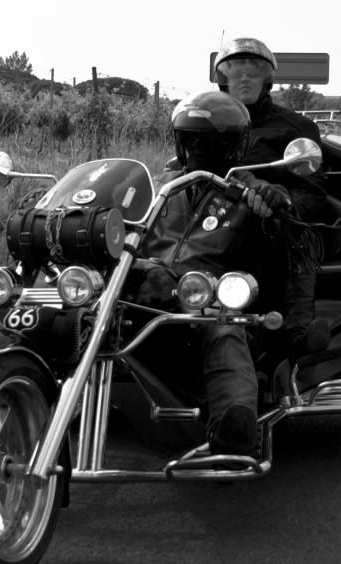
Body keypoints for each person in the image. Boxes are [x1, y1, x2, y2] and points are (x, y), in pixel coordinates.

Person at [141, 91, 292, 457]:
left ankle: (233, 424)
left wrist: (272, 208)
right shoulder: (159, 185)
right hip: (145, 288)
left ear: (237, 145)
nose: (198, 148)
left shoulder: (252, 191)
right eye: (190, 139)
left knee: (224, 327)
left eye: (212, 141)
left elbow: (285, 234)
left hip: (205, 299)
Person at [214, 37, 333, 365]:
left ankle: (297, 334)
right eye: (236, 70)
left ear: (267, 79)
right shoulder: (209, 122)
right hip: (213, 220)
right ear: (223, 78)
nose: (244, 77)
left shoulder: (296, 127)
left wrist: (283, 204)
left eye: (253, 71)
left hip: (268, 224)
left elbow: (312, 191)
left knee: (297, 233)